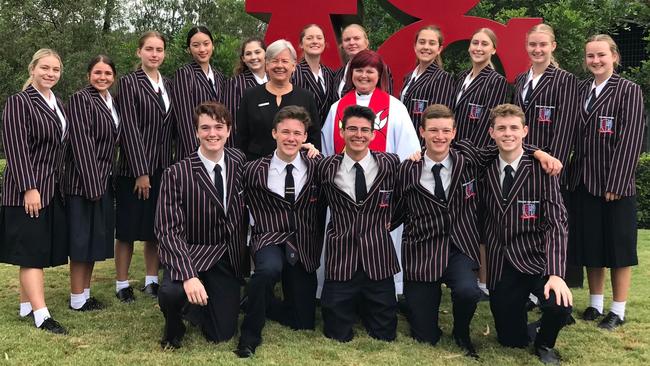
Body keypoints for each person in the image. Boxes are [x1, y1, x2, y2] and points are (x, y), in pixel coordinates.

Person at [321, 49, 419, 296]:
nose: (364, 76)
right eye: (359, 70)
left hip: (380, 203)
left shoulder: (395, 107)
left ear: (380, 75)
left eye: (370, 71)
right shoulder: (337, 109)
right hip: (344, 199)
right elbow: (326, 153)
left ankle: (386, 291)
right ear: (350, 73)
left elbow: (408, 154)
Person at [482, 104, 572, 365]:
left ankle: (545, 343)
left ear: (525, 131)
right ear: (491, 132)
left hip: (536, 259)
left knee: (559, 303)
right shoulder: (484, 165)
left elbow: (557, 222)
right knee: (511, 340)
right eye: (501, 128)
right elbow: (454, 151)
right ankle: (526, 323)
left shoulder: (543, 171)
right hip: (502, 265)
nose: (507, 133)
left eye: (513, 128)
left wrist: (556, 274)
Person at [392, 105, 483, 359]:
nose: (439, 136)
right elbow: (396, 211)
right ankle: (416, 309)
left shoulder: (468, 161)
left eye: (445, 130)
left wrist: (539, 153)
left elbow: (505, 147)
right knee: (425, 337)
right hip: (422, 251)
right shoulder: (407, 169)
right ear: (422, 132)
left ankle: (461, 331)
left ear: (454, 132)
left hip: (458, 247)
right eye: (433, 130)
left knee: (468, 291)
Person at [567, 34, 645, 330]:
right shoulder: (580, 90)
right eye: (590, 56)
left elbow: (631, 139)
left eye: (601, 55)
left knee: (618, 249)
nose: (596, 61)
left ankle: (618, 309)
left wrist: (618, 181)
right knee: (592, 248)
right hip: (584, 181)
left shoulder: (628, 90)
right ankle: (595, 304)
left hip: (614, 185)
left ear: (614, 56)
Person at [235, 106, 325, 358]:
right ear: (274, 133)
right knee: (267, 270)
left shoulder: (317, 167)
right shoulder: (253, 170)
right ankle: (249, 336)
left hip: (302, 243)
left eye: (297, 133)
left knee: (303, 321)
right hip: (269, 237)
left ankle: (253, 300)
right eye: (285, 132)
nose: (291, 138)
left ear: (306, 137)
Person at [156, 101, 246, 349]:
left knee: (222, 335)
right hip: (193, 253)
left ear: (228, 130)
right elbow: (167, 230)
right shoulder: (176, 173)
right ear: (196, 132)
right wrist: (188, 275)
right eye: (205, 128)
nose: (212, 134)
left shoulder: (239, 162)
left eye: (219, 127)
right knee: (171, 293)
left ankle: (200, 309)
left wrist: (308, 151)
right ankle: (175, 324)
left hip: (226, 259)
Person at [0, 48, 68, 334]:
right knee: (31, 253)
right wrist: (29, 187)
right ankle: (42, 314)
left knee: (32, 249)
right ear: (32, 69)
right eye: (45, 68)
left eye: (55, 69)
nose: (50, 73)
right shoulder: (19, 102)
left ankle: (26, 306)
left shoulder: (57, 102)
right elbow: (15, 148)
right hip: (26, 191)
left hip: (49, 188)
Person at [319, 105, 400, 342]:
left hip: (378, 256)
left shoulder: (390, 163)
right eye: (352, 128)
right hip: (342, 257)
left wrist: (391, 221)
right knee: (337, 333)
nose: (359, 134)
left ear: (374, 134)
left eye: (365, 130)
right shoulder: (326, 167)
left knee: (385, 333)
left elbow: (405, 198)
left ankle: (367, 307)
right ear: (342, 131)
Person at [114, 31, 174, 302]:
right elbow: (128, 128)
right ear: (139, 52)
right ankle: (122, 283)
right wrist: (141, 172)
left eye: (159, 49)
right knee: (127, 229)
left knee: (156, 228)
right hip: (135, 170)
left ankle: (151, 280)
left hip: (162, 167)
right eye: (149, 49)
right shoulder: (128, 83)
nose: (154, 54)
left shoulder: (168, 85)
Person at [453, 27, 509, 300]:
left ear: (493, 50)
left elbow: (493, 125)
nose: (478, 47)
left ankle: (484, 281)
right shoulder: (461, 78)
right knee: (465, 217)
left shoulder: (496, 82)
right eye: (474, 42)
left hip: (478, 160)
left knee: (481, 219)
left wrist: (475, 156)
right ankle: (468, 274)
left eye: (484, 44)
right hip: (456, 158)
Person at [63, 55, 120, 312]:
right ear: (89, 75)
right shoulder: (80, 99)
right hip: (83, 184)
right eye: (98, 73)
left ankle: (86, 294)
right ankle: (76, 298)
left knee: (94, 241)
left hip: (103, 180)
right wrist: (93, 185)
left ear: (113, 77)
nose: (102, 77)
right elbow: (82, 144)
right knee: (81, 241)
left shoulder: (111, 101)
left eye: (107, 73)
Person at [236, 39, 321, 161]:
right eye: (275, 61)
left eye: (285, 61)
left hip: (296, 167)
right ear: (267, 65)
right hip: (256, 167)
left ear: (293, 66)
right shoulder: (250, 95)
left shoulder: (306, 97)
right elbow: (241, 138)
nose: (280, 66)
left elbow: (314, 137)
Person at [173, 26, 226, 158]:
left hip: (216, 147)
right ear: (189, 49)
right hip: (192, 150)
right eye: (196, 45)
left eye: (206, 44)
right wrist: (196, 155)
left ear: (212, 46)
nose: (202, 49)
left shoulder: (219, 77)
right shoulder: (184, 74)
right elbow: (184, 118)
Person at [399, 25, 456, 129]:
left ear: (439, 49)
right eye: (422, 42)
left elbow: (438, 120)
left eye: (432, 43)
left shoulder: (443, 78)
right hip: (402, 139)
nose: (426, 47)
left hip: (422, 142)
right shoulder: (409, 77)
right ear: (415, 46)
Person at [291, 24, 336, 124]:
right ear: (301, 44)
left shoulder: (330, 74)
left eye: (319, 38)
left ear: (324, 43)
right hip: (303, 134)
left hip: (327, 135)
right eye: (309, 38)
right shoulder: (293, 73)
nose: (315, 41)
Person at [334, 24, 394, 97]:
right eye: (347, 39)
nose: (351, 43)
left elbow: (386, 99)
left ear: (366, 42)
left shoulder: (379, 68)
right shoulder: (338, 73)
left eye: (356, 38)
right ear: (342, 45)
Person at [224, 37, 267, 134]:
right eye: (248, 54)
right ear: (243, 59)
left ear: (266, 54)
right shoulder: (234, 83)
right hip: (248, 145)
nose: (253, 57)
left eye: (257, 52)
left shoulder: (276, 80)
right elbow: (230, 120)